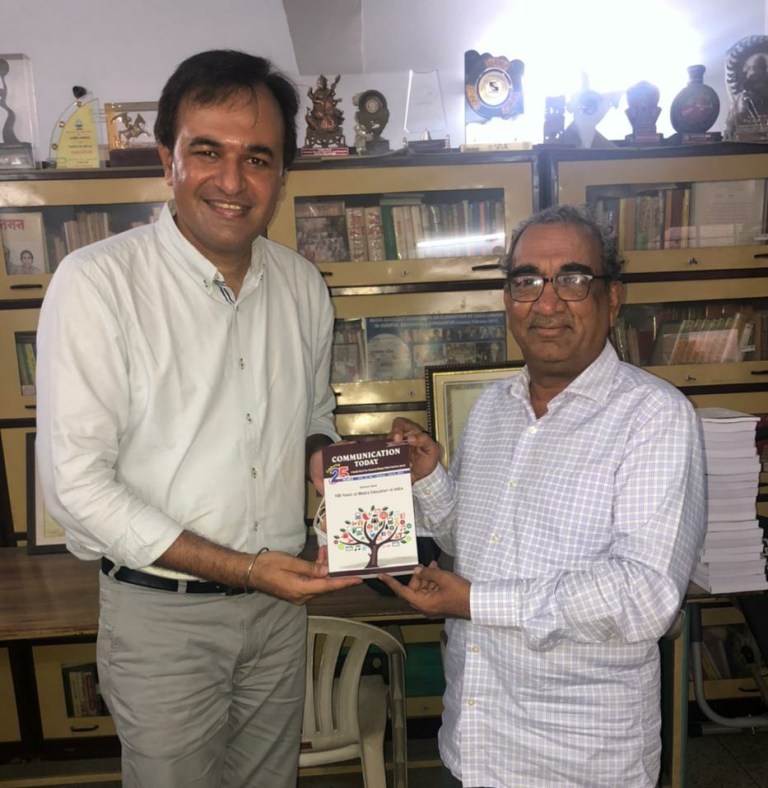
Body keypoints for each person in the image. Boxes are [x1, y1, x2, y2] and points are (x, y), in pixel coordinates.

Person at [35, 49, 360, 788]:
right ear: (168, 160)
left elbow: (313, 415)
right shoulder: (98, 284)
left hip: (278, 612)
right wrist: (242, 567)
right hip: (163, 622)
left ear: (281, 174)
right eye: (208, 151)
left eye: (258, 158)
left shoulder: (303, 285)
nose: (233, 181)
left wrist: (336, 464)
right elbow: (76, 486)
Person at [380, 204, 707, 788]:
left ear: (612, 298)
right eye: (527, 280)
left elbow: (645, 595)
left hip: (577, 762)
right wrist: (430, 476)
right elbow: (472, 541)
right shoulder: (493, 408)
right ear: (508, 299)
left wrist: (474, 602)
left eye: (572, 279)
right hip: (474, 743)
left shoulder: (654, 416)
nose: (547, 303)